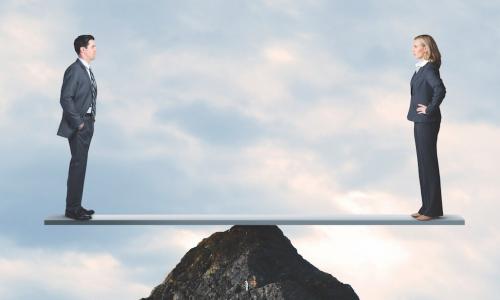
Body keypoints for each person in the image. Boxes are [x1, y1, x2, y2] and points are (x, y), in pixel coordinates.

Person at [57, 35, 98, 221]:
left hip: (88, 122)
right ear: (83, 49)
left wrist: (89, 121)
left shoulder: (86, 69)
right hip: (80, 125)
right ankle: (72, 209)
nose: (95, 49)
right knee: (78, 165)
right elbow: (65, 98)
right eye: (92, 46)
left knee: (81, 165)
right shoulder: (74, 70)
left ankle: (76, 206)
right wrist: (79, 123)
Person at [407, 34, 446, 221]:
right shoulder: (421, 69)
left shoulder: (429, 69)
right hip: (420, 120)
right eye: (413, 46)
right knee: (423, 163)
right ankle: (427, 207)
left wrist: (429, 109)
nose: (413, 49)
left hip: (427, 122)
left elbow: (440, 89)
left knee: (428, 163)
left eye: (416, 46)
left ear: (426, 48)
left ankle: (432, 210)